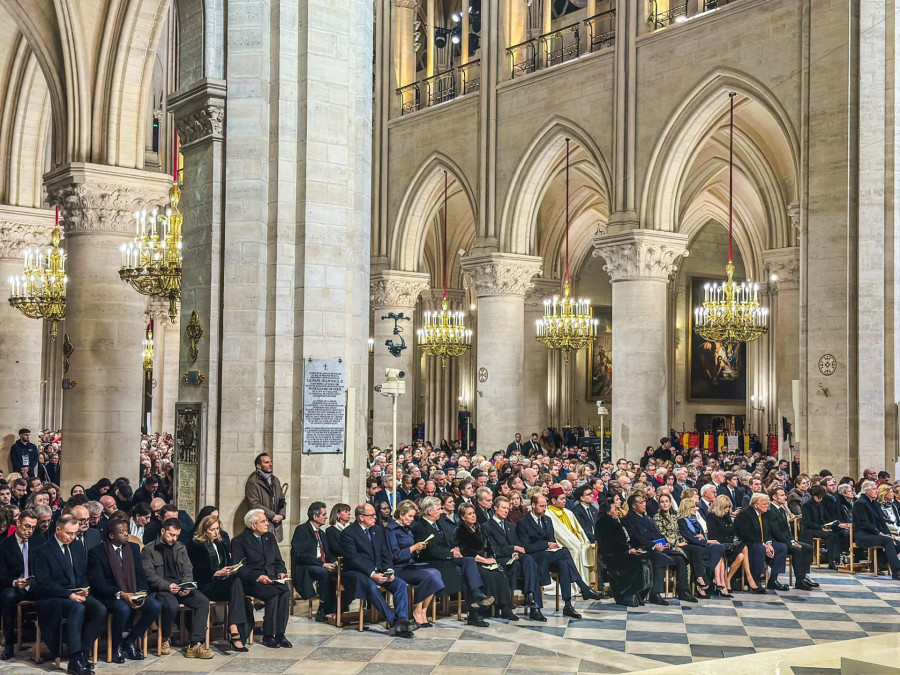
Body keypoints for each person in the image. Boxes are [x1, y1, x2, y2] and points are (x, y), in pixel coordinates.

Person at [31, 514, 108, 675]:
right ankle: (74, 661)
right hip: (53, 597)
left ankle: (81, 651)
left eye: (74, 533)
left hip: (76, 593)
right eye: (69, 533)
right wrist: (69, 594)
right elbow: (44, 582)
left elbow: (82, 572)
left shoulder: (76, 545)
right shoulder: (42, 550)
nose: (72, 537)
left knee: (99, 609)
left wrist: (85, 588)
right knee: (77, 608)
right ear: (58, 530)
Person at [516, 494, 601, 619]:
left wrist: (551, 545)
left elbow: (551, 539)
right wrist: (545, 544)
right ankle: (583, 587)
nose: (544, 509)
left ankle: (568, 606)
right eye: (541, 506)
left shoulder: (547, 520)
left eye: (545, 506)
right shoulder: (523, 522)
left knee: (564, 564)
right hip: (534, 557)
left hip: (548, 556)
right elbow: (525, 547)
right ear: (533, 505)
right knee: (565, 553)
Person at [87, 520, 162, 662]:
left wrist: (139, 593)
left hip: (133, 592)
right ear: (111, 536)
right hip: (111, 595)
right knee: (123, 609)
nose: (126, 534)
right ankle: (116, 647)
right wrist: (121, 594)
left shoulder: (133, 548)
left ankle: (130, 640)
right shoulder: (97, 552)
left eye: (126, 530)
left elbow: (140, 574)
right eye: (122, 532)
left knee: (155, 606)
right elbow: (98, 582)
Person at [411, 496, 493, 625]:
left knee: (469, 561)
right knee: (466, 575)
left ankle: (477, 594)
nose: (441, 511)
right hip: (434, 561)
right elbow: (430, 550)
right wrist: (451, 553)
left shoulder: (441, 522)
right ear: (430, 511)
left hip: (449, 557)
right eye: (438, 509)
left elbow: (449, 541)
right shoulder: (419, 527)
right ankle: (474, 612)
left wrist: (455, 548)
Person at [140, 518, 214, 658]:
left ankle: (195, 644)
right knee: (172, 605)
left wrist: (187, 584)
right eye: (171, 535)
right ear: (163, 531)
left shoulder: (180, 547)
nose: (174, 538)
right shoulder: (149, 549)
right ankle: (165, 638)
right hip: (162, 589)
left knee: (203, 602)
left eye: (176, 536)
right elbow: (149, 576)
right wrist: (168, 586)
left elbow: (188, 569)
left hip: (180, 587)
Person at [339, 504, 414, 637]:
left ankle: (402, 620)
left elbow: (385, 554)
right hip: (357, 572)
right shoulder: (348, 533)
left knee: (400, 584)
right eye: (371, 515)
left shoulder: (378, 530)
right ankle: (394, 621)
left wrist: (389, 571)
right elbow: (353, 559)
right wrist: (372, 574)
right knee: (371, 586)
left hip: (378, 570)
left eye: (375, 514)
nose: (375, 517)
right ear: (361, 517)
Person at [187, 514, 252, 650]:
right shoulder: (196, 545)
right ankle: (234, 630)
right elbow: (196, 571)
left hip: (223, 583)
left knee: (237, 581)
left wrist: (230, 570)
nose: (216, 532)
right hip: (206, 585)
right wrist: (216, 573)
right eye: (212, 529)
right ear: (204, 531)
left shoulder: (221, 544)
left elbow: (227, 564)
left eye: (217, 529)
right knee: (238, 588)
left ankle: (234, 628)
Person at [231, 509, 292, 648]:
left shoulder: (269, 537)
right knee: (274, 594)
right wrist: (258, 577)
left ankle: (280, 634)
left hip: (271, 578)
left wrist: (281, 573)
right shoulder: (239, 541)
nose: (267, 524)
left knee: (285, 591)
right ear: (253, 525)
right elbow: (239, 568)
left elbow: (278, 561)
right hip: (252, 581)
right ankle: (268, 635)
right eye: (263, 521)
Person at [622, 493, 695, 605]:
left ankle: (683, 591)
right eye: (641, 503)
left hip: (659, 547)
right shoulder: (628, 519)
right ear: (633, 506)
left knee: (680, 557)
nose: (644, 504)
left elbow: (658, 533)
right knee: (660, 559)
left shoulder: (647, 518)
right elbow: (636, 537)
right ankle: (655, 593)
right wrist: (654, 546)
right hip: (644, 549)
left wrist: (665, 543)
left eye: (644, 502)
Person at [483, 495, 545, 621]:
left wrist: (517, 553)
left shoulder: (510, 526)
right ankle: (508, 607)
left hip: (514, 557)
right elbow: (492, 549)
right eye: (503, 508)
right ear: (495, 508)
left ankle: (531, 599)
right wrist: (512, 550)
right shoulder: (486, 526)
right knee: (515, 566)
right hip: (499, 558)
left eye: (507, 508)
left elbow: (519, 545)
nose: (506, 511)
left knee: (529, 559)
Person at [454, 502, 517, 622]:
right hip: (473, 562)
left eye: (473, 513)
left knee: (500, 575)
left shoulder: (479, 527)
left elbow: (489, 546)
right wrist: (485, 560)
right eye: (469, 514)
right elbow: (466, 551)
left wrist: (491, 558)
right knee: (487, 575)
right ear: (463, 517)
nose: (473, 516)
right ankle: (481, 610)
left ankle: (505, 608)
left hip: (486, 560)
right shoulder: (460, 530)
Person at [386, 500, 445, 626]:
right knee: (430, 575)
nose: (412, 519)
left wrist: (418, 550)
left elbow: (410, 551)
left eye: (413, 516)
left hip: (409, 564)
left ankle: (422, 610)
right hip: (397, 568)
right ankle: (417, 610)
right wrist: (413, 548)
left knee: (435, 573)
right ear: (401, 515)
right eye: (410, 516)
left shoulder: (407, 529)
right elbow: (394, 555)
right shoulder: (391, 530)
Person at [595, 493, 652, 607]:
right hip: (613, 554)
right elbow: (610, 544)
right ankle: (626, 592)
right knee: (637, 562)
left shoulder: (617, 521)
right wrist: (628, 550)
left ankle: (640, 593)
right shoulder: (603, 523)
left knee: (647, 561)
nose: (617, 511)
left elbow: (627, 538)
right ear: (608, 510)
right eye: (615, 509)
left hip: (624, 551)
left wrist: (634, 548)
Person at [0, 509, 42, 659]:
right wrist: (14, 582)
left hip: (35, 584)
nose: (29, 530)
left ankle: (48, 642)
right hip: (14, 586)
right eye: (26, 526)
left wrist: (32, 580)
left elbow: (43, 567)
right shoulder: (5, 544)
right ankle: (9, 645)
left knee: (52, 594)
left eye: (32, 527)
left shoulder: (38, 542)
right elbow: (1, 572)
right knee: (7, 596)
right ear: (18, 523)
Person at [291, 502, 338, 623]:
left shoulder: (322, 533)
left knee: (338, 573)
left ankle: (337, 608)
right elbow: (300, 554)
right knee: (324, 572)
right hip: (305, 567)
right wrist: (322, 564)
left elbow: (328, 553)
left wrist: (334, 562)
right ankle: (323, 607)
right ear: (315, 517)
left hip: (321, 565)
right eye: (324, 514)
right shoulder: (302, 530)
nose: (326, 517)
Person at [733, 493, 789, 590]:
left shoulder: (765, 513)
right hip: (748, 543)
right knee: (759, 548)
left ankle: (773, 580)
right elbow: (746, 534)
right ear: (756, 505)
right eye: (764, 504)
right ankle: (756, 580)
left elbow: (768, 531)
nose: (767, 506)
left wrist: (768, 542)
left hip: (762, 542)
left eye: (767, 503)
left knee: (781, 547)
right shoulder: (745, 514)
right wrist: (764, 545)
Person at [768, 487, 817, 590]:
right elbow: (776, 532)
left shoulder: (781, 510)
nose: (785, 497)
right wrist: (790, 543)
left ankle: (804, 577)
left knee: (808, 548)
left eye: (784, 495)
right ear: (774, 497)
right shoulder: (771, 511)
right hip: (776, 541)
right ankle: (799, 580)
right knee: (796, 550)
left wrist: (793, 540)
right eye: (782, 495)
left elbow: (787, 530)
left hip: (786, 540)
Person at [676, 498, 727, 596]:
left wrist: (701, 537)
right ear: (688, 508)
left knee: (719, 548)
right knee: (701, 551)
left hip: (699, 544)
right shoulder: (682, 521)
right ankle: (705, 581)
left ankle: (716, 579)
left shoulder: (695, 520)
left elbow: (701, 534)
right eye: (694, 507)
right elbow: (689, 537)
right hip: (690, 546)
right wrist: (704, 540)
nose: (696, 508)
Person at [545, 485, 594, 585]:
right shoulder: (548, 514)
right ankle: (577, 584)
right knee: (575, 550)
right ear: (554, 501)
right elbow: (559, 534)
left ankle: (587, 583)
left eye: (565, 498)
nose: (565, 501)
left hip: (574, 540)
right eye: (562, 499)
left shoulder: (568, 512)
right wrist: (574, 542)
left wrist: (583, 541)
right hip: (562, 543)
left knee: (586, 547)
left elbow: (579, 530)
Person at [852, 480, 900, 579]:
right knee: (887, 540)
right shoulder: (860, 503)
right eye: (874, 489)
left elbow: (882, 523)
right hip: (863, 535)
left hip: (874, 534)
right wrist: (880, 533)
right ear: (867, 491)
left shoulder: (875, 504)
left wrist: (888, 534)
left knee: (897, 543)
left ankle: (876, 563)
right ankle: (897, 571)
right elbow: (863, 524)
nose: (876, 491)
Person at [244, 453, 286, 542]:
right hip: (261, 526)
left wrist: (281, 515)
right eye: (266, 462)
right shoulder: (253, 482)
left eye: (270, 462)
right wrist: (273, 515)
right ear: (259, 466)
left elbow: (282, 499)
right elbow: (254, 505)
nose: (270, 464)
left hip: (276, 525)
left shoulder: (275, 480)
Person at [801, 485, 843, 570]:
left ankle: (834, 559)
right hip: (810, 529)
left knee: (836, 533)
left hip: (820, 528)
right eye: (818, 497)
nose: (820, 499)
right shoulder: (807, 506)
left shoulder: (820, 504)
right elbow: (807, 522)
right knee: (831, 535)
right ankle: (832, 560)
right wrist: (821, 528)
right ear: (814, 495)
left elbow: (823, 518)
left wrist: (828, 525)